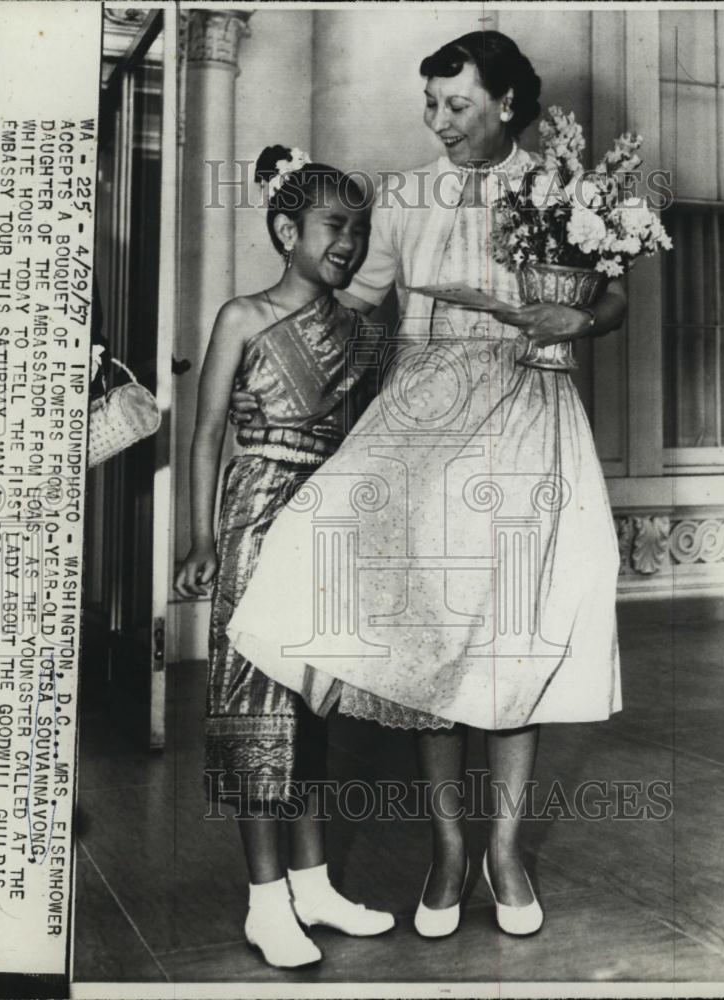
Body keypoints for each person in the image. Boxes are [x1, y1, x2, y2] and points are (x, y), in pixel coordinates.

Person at [227, 31, 627, 940]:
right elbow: (356, 307)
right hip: (424, 423)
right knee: (432, 633)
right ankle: (449, 849)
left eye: (457, 105)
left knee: (512, 639)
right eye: (432, 106)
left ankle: (507, 852)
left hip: (532, 415)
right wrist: (260, 334)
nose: (439, 122)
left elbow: (611, 300)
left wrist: (583, 315)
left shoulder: (561, 187)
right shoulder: (402, 196)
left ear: (507, 106)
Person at [173, 146, 394, 970]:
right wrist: (200, 538)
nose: (350, 240)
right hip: (255, 515)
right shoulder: (241, 316)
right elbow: (204, 437)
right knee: (254, 706)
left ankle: (313, 884)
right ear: (284, 229)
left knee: (311, 706)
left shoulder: (363, 333)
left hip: (324, 522)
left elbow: (370, 444)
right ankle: (266, 903)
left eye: (360, 228)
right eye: (335, 224)